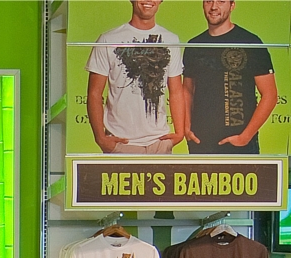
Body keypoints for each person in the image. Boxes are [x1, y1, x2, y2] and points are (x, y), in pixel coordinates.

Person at [85, 0, 186, 154]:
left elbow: (176, 91)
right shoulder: (108, 39)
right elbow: (94, 93)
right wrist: (100, 137)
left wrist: (179, 134)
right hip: (121, 143)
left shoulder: (171, 40)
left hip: (159, 143)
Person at [183, 0, 278, 154]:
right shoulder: (194, 45)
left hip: (241, 144)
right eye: (209, 1)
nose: (214, 7)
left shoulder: (251, 43)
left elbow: (270, 95)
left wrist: (245, 137)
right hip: (201, 142)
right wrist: (187, 129)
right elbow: (187, 90)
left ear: (232, 5)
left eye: (221, 1)